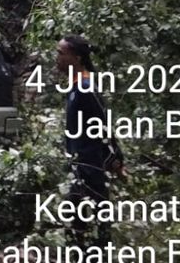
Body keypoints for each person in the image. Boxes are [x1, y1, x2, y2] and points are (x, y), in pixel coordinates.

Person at [57, 34, 120, 248]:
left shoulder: (86, 86)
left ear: (77, 58)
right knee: (78, 214)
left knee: (96, 212)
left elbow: (102, 121)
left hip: (90, 162)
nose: (57, 58)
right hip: (78, 162)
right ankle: (84, 251)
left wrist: (115, 156)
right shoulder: (75, 86)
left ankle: (99, 250)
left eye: (61, 53)